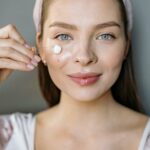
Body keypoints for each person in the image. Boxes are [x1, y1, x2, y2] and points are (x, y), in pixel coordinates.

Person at [0, 0, 150, 149]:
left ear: (126, 46)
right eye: (64, 36)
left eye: (105, 36)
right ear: (41, 47)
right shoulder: (7, 137)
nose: (84, 57)